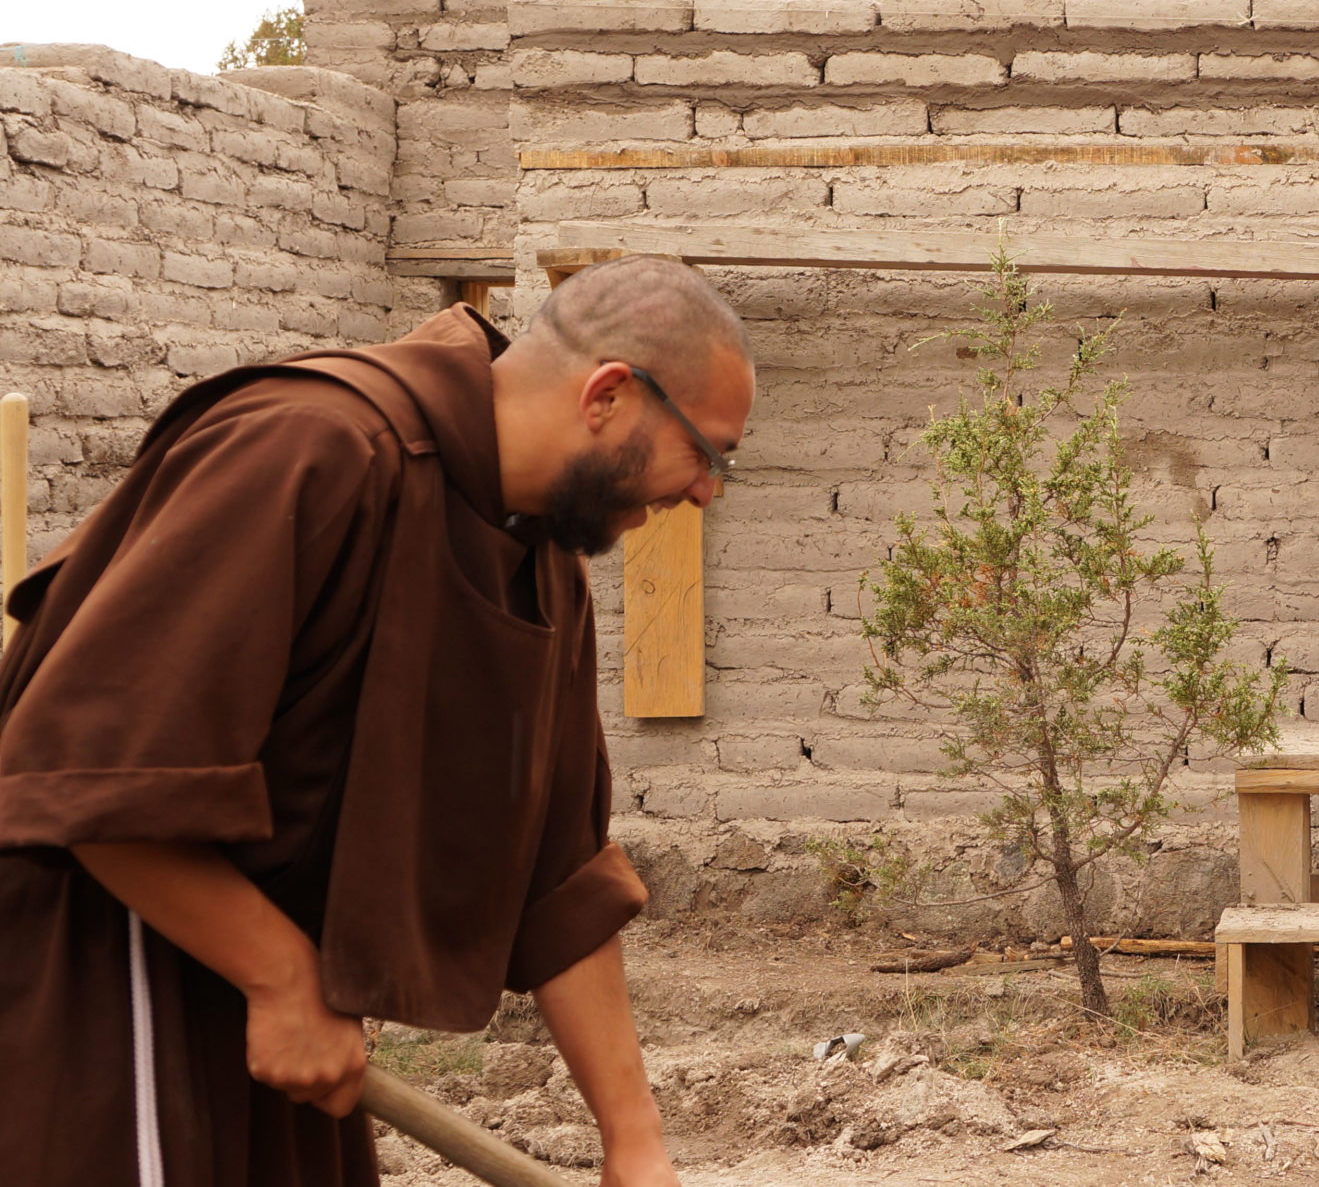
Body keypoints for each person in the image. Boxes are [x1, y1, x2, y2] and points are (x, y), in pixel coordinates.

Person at [0, 255, 756, 1187]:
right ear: (607, 395)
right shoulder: (311, 446)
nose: (706, 491)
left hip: (280, 1012)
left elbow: (561, 878)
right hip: (107, 988)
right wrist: (278, 974)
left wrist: (632, 1142)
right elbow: (90, 775)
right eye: (707, 452)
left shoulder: (544, 564)